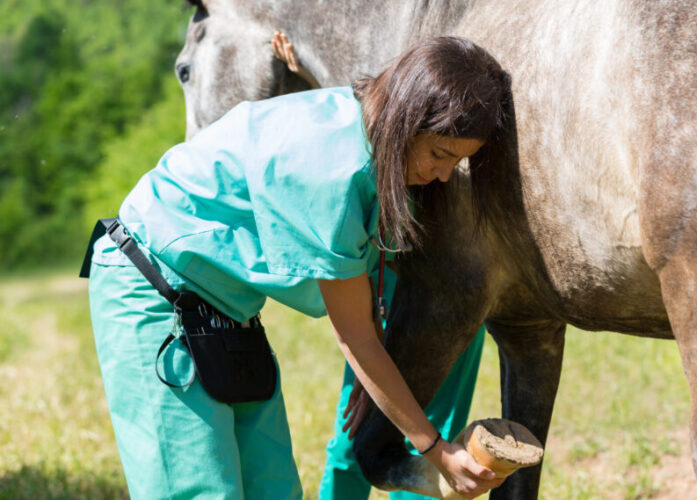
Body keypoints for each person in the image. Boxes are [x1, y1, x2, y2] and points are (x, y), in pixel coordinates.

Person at [85, 35, 511, 499]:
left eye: (458, 161)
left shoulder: (372, 130)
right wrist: (434, 449)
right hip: (152, 286)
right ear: (408, 117)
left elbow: (365, 301)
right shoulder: (331, 169)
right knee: (198, 491)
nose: (445, 175)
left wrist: (382, 387)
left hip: (228, 307)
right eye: (441, 155)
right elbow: (355, 336)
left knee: (275, 491)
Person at [271, 31, 488, 500]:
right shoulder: (377, 140)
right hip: (378, 295)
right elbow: (354, 123)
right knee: (357, 427)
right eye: (440, 157)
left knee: (437, 425)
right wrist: (308, 77)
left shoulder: (457, 129)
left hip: (453, 292)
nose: (445, 170)